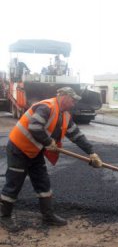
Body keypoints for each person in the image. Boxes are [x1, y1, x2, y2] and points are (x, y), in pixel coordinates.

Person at [0, 87, 103, 231]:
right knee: (14, 183)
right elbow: (34, 127)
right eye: (72, 100)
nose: (73, 103)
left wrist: (91, 153)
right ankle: (4, 216)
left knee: (43, 182)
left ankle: (48, 216)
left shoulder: (65, 115)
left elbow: (76, 135)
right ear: (63, 96)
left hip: (35, 151)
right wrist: (49, 142)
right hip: (18, 148)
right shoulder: (46, 107)